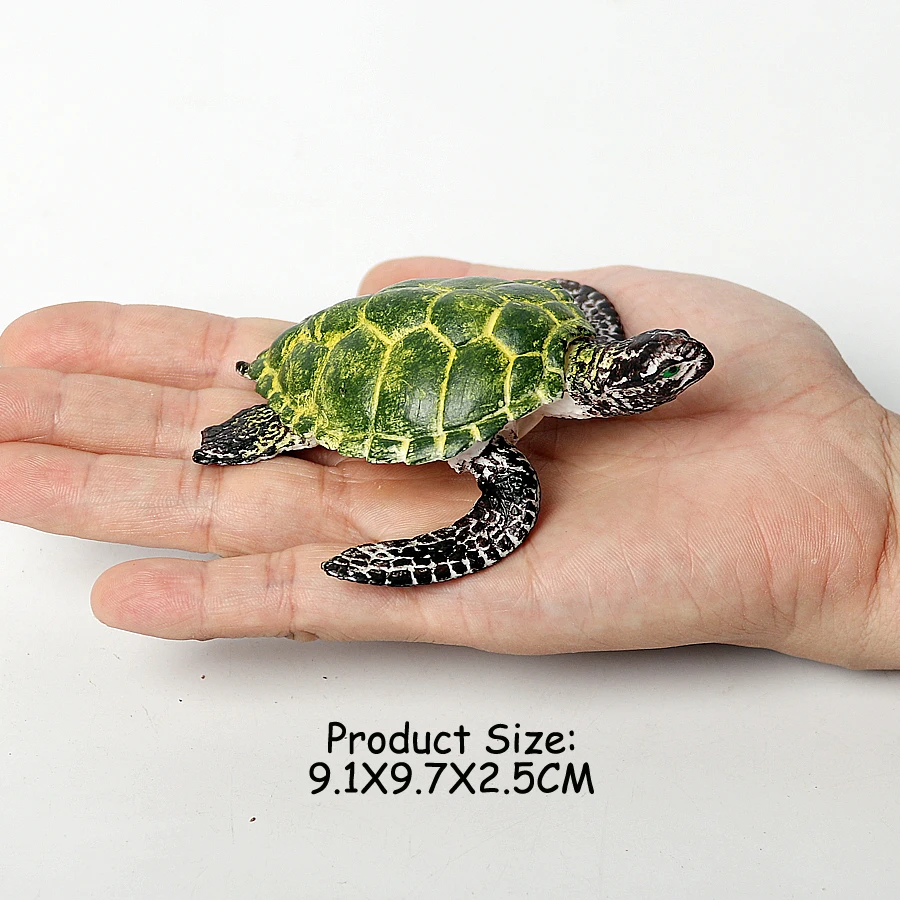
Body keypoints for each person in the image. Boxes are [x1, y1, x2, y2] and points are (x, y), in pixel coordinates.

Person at [0, 257, 896, 669]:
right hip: (343, 369)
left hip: (372, 335)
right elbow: (569, 302)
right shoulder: (566, 345)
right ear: (612, 376)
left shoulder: (577, 321)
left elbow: (568, 296)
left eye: (667, 363)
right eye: (660, 368)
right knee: (508, 504)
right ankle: (279, 417)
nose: (681, 367)